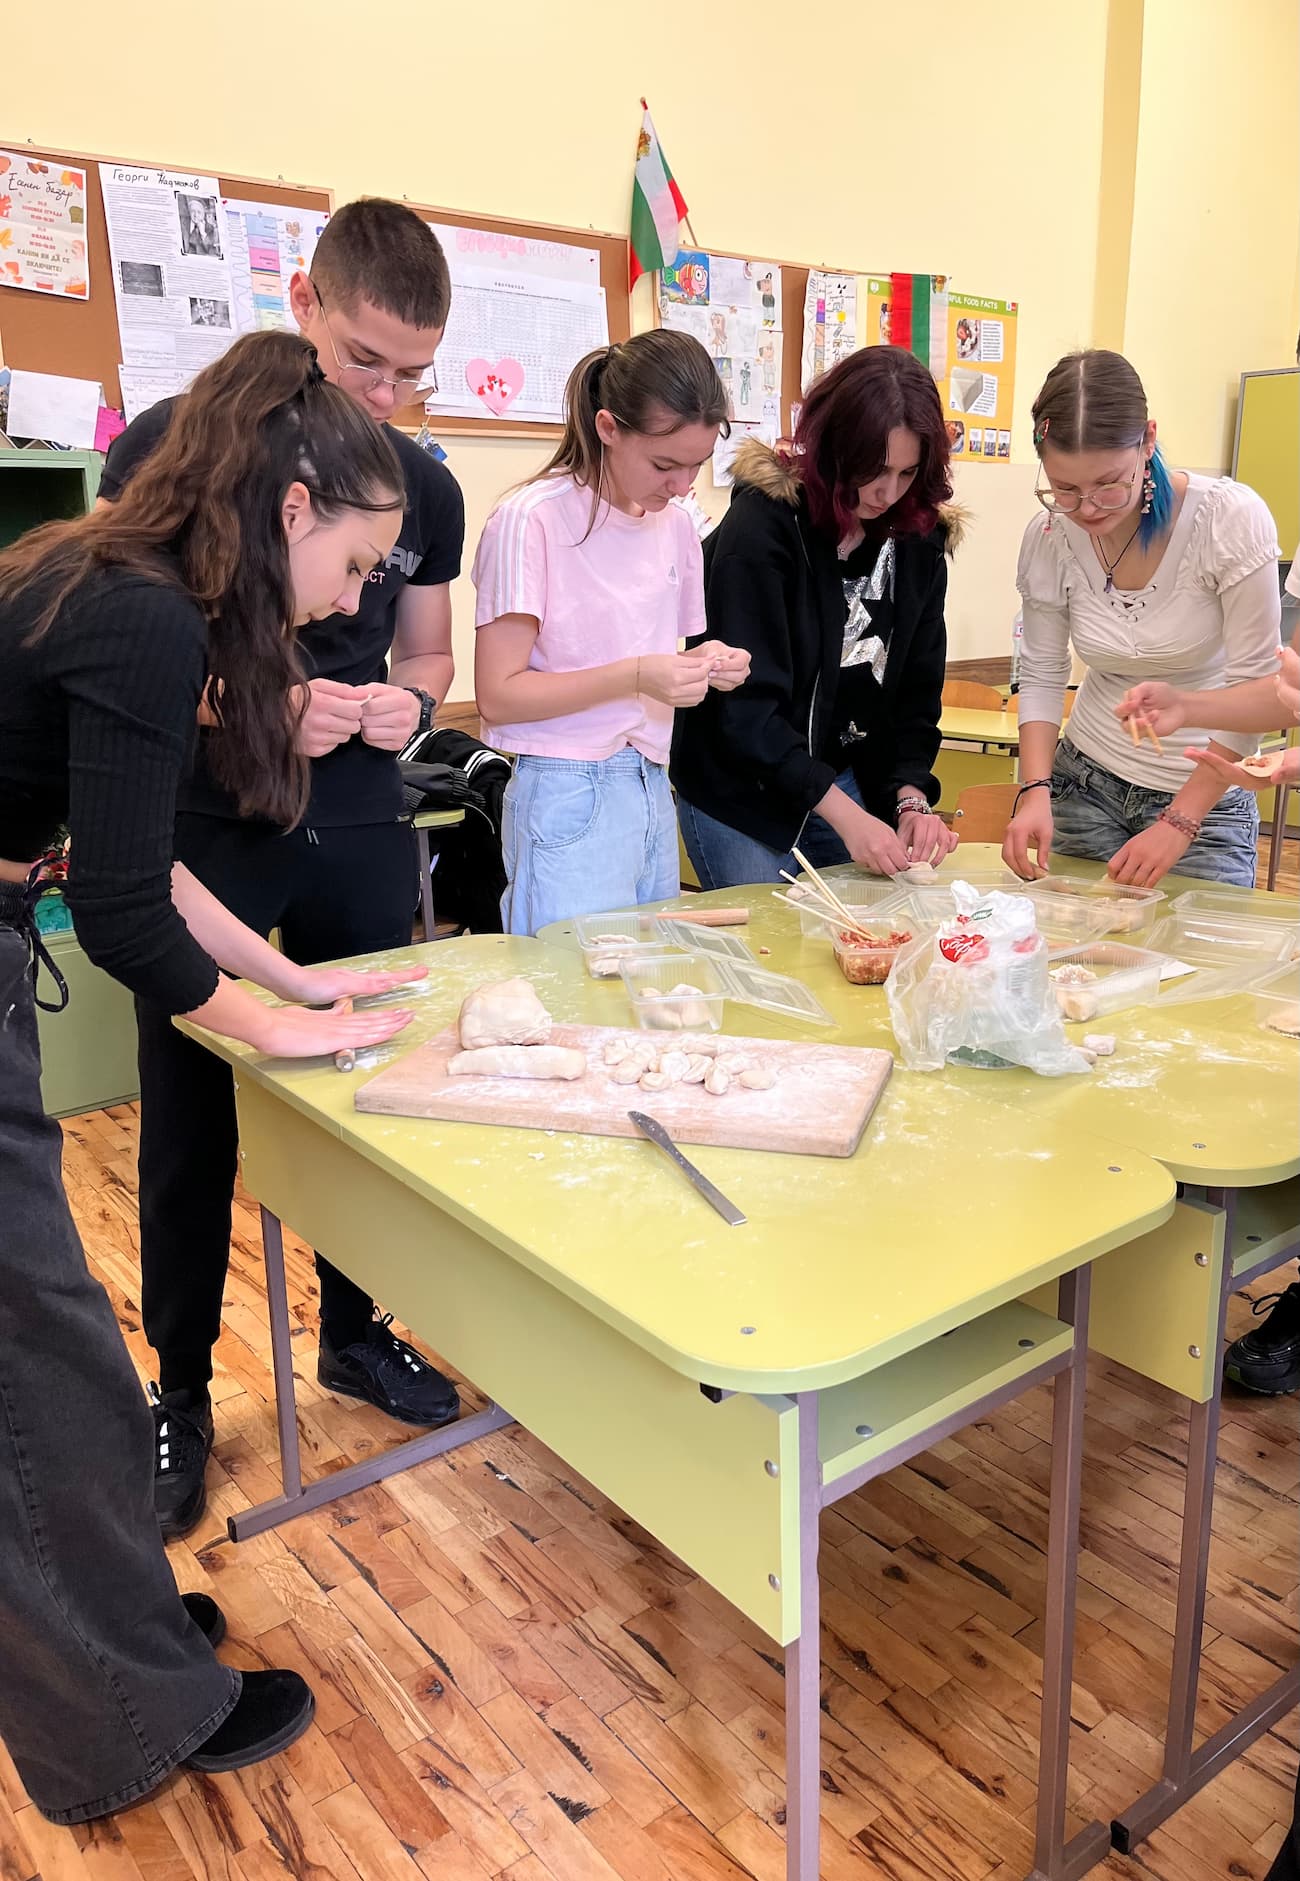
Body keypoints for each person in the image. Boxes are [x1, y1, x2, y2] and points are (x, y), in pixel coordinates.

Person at [0, 331, 423, 1822]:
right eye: (361, 564)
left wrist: (297, 977)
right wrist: (280, 1033)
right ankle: (119, 1717)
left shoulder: (114, 576)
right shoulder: (146, 617)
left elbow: (146, 864)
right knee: (39, 1362)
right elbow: (116, 916)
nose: (358, 602)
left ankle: (107, 1634)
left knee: (54, 1365)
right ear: (295, 509)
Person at [100, 198, 466, 1540]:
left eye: (414, 371)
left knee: (372, 1086)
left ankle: (360, 1333)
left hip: (359, 825)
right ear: (306, 302)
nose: (388, 392)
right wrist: (242, 708)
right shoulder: (172, 448)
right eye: (368, 360)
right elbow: (129, 657)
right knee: (193, 1117)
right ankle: (181, 1390)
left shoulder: (424, 483)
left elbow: (425, 662)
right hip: (211, 833)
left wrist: (401, 712)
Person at [472, 330, 749, 935]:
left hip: (651, 782)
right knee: (570, 994)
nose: (681, 487)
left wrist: (708, 664)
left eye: (697, 466)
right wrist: (639, 676)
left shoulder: (673, 526)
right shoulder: (531, 520)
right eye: (664, 465)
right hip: (567, 788)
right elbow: (498, 695)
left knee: (640, 997)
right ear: (607, 427)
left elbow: (656, 658)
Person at [671, 345, 960, 888]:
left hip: (842, 780)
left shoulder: (919, 540)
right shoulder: (764, 529)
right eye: (872, 469)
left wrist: (911, 797)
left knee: (866, 941)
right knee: (764, 950)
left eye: (906, 472)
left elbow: (917, 695)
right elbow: (746, 714)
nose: (886, 492)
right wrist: (850, 819)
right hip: (742, 791)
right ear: (831, 447)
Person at [1003, 349, 1282, 888]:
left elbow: (1260, 689)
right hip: (1082, 784)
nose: (1087, 509)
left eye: (1110, 484)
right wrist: (1033, 789)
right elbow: (1040, 673)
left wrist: (1180, 821)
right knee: (1070, 960)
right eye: (1063, 488)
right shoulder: (1049, 536)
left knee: (1201, 966)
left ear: (1147, 440)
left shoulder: (1226, 520)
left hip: (1207, 797)